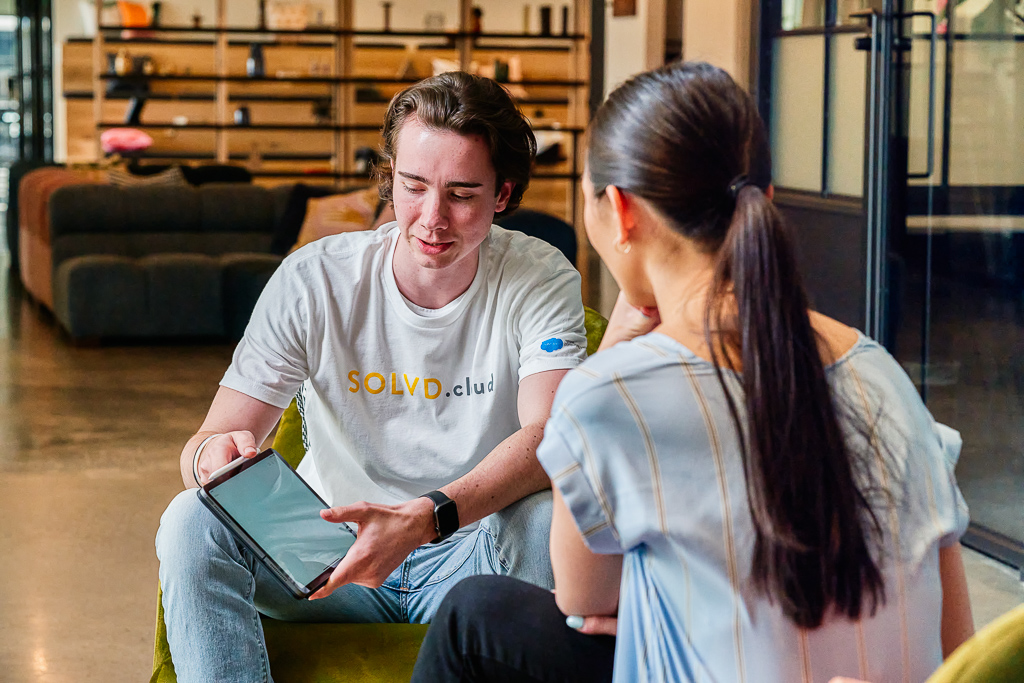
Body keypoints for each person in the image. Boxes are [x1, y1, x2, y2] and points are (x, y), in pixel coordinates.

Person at [411, 61, 975, 682]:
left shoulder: (609, 395)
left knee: (477, 612)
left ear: (621, 212)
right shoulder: (882, 373)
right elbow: (957, 636)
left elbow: (582, 602)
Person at [155, 71, 589, 683]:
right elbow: (207, 442)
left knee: (548, 517)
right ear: (390, 179)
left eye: (463, 194)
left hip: (472, 553)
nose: (432, 219)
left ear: (503, 193)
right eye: (414, 187)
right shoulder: (315, 280)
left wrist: (426, 518)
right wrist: (213, 461)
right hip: (323, 553)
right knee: (189, 520)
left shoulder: (538, 276)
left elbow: (554, 436)